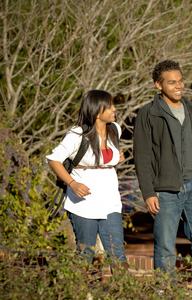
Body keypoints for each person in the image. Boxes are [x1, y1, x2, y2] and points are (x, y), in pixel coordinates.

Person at [133, 60, 192, 284]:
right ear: (158, 86)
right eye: (172, 83)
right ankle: (166, 292)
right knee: (165, 246)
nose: (179, 86)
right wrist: (148, 192)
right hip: (165, 190)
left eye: (180, 81)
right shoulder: (148, 113)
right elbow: (142, 156)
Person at [46, 90, 128, 268]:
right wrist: (72, 183)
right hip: (83, 203)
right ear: (98, 111)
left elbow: (106, 158)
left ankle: (123, 293)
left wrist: (116, 159)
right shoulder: (77, 134)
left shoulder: (115, 129)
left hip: (110, 202)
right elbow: (53, 159)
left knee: (118, 255)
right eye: (110, 106)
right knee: (85, 254)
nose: (115, 109)